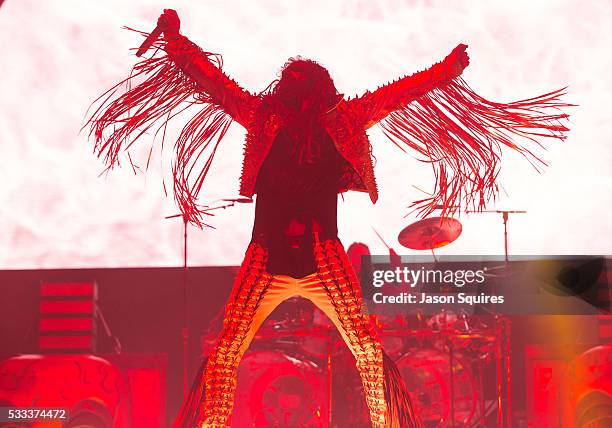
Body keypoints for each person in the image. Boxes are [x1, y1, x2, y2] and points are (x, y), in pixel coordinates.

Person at [86, 9, 569, 427]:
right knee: (226, 350)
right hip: (267, 254)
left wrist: (446, 69)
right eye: (289, 83)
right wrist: (174, 40)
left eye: (299, 84)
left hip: (322, 257)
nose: (291, 91)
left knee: (366, 349)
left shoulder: (341, 121)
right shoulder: (263, 117)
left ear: (317, 90)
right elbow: (211, 82)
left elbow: (401, 94)